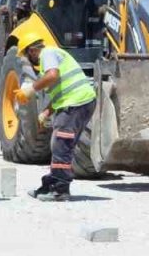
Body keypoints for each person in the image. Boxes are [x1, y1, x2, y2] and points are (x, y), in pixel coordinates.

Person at [14, 35, 98, 202]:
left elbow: (52, 75)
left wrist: (31, 88)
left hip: (76, 103)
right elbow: (61, 91)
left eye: (27, 56)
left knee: (62, 144)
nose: (29, 62)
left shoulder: (48, 53)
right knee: (59, 144)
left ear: (32, 51)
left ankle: (60, 189)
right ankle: (52, 182)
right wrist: (46, 111)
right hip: (77, 102)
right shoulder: (52, 56)